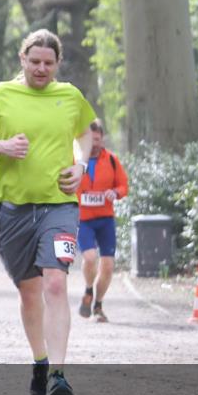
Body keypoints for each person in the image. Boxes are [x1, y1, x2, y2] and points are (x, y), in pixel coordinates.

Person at [0, 29, 96, 395]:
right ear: (22, 59)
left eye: (49, 63)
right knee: (29, 291)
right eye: (35, 61)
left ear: (58, 64)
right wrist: (2, 146)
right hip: (14, 209)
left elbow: (84, 134)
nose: (41, 69)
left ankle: (58, 374)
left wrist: (82, 164)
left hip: (60, 204)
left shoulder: (70, 96)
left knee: (55, 282)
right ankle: (40, 360)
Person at [76, 119, 129, 323]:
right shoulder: (75, 160)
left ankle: (98, 304)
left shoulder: (112, 160)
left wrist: (114, 192)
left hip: (106, 220)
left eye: (97, 139)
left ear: (102, 138)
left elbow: (124, 187)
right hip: (84, 220)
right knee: (90, 258)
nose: (94, 143)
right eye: (90, 139)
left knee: (107, 266)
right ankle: (88, 290)